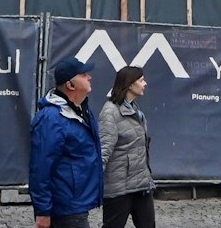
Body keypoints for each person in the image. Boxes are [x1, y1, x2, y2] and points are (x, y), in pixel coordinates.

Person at [31, 57, 104, 228]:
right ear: (70, 85)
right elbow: (40, 167)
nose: (89, 77)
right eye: (84, 75)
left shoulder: (82, 110)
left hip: (77, 203)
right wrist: (43, 211)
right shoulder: (50, 118)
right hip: (65, 207)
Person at [98, 64, 156, 228]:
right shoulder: (110, 112)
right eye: (141, 80)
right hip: (119, 189)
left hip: (141, 185)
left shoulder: (135, 110)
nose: (145, 84)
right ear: (130, 84)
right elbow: (104, 150)